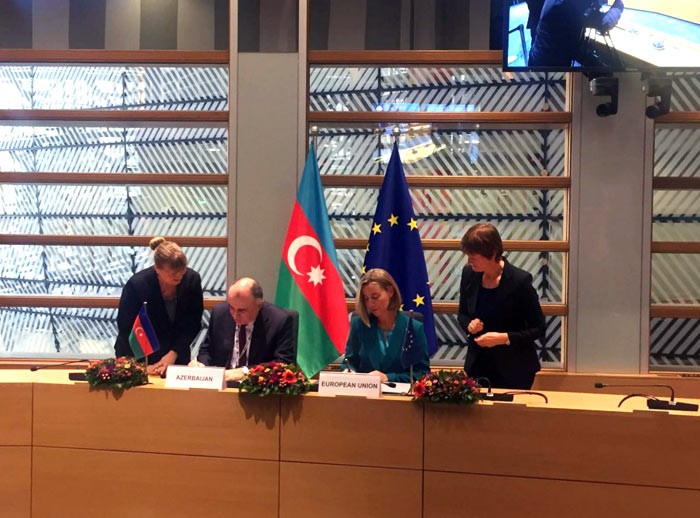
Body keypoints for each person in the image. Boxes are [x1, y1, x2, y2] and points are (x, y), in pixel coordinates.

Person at [458, 223, 545, 389]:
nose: (469, 261)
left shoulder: (520, 281)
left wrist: (504, 338)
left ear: (491, 253)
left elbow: (539, 328)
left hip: (515, 368)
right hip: (478, 365)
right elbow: (462, 314)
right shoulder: (469, 274)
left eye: (473, 256)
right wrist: (470, 325)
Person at [115, 237, 203, 375]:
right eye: (173, 273)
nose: (179, 276)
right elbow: (126, 328)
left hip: (177, 356)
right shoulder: (137, 285)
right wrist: (139, 367)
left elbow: (193, 323)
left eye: (182, 270)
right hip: (142, 358)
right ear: (157, 268)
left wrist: (174, 353)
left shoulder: (191, 280)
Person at [191, 277, 297, 381]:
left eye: (242, 311)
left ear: (259, 305)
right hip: (223, 384)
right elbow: (207, 349)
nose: (235, 315)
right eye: (231, 308)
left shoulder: (279, 320)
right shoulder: (220, 313)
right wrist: (202, 365)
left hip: (256, 386)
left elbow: (284, 363)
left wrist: (245, 372)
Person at [343, 268, 430, 383]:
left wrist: (388, 377)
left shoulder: (413, 327)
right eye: (366, 299)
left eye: (375, 297)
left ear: (390, 291)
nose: (370, 303)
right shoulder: (359, 324)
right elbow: (349, 362)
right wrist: (348, 371)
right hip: (365, 392)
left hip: (400, 393)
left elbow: (422, 373)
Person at [528, 0, 625, 67]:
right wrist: (618, 6)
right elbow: (605, 22)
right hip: (550, 68)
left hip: (542, 60)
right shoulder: (569, 4)